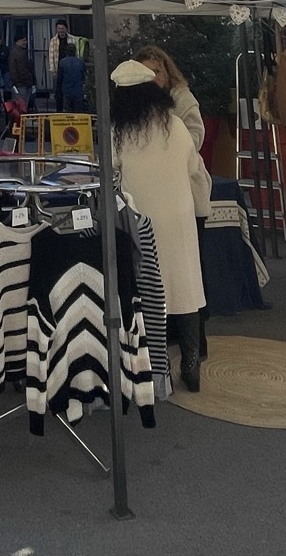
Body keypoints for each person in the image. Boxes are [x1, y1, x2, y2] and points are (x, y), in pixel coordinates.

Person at [109, 59, 211, 391]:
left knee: (147, 291)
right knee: (186, 287)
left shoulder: (117, 132)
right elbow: (192, 164)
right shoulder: (175, 124)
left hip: (141, 221)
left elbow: (109, 173)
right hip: (179, 217)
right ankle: (192, 362)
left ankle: (154, 366)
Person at [134, 46, 205, 151]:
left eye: (157, 71)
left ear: (167, 72)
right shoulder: (133, 101)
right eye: (147, 72)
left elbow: (195, 136)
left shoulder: (181, 97)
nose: (153, 77)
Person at [55, 36, 87, 113]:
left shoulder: (62, 62)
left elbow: (60, 78)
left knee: (68, 111)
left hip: (66, 89)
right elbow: (84, 76)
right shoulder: (80, 62)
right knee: (78, 110)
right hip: (78, 90)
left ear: (66, 51)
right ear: (75, 51)